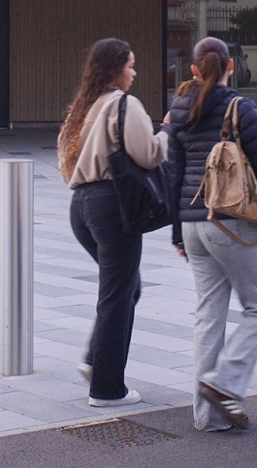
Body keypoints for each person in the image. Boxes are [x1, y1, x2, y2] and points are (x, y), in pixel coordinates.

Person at [167, 36, 257, 432]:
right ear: (230, 66)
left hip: (193, 225)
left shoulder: (179, 109)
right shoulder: (239, 107)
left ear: (193, 69)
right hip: (228, 221)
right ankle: (224, 382)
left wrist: (177, 232)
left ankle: (208, 416)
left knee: (209, 316)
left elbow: (173, 176)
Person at [57, 37, 169, 408]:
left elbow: (65, 164)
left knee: (125, 288)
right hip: (112, 205)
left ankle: (94, 360)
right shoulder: (123, 104)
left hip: (81, 206)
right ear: (116, 68)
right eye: (131, 66)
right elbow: (149, 154)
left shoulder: (82, 108)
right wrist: (166, 131)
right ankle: (107, 389)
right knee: (118, 296)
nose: (134, 73)